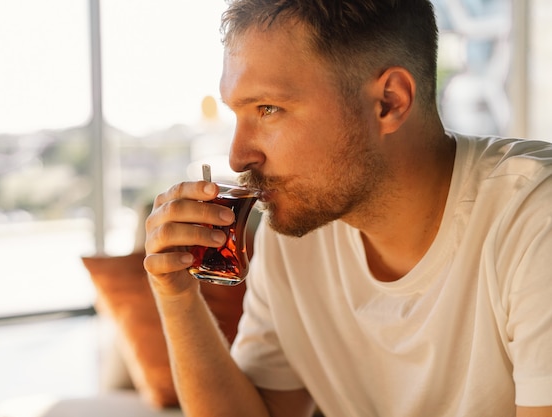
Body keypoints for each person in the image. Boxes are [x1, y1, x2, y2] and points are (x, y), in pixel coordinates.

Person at [143, 1, 552, 416]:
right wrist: (176, 297)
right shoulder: (297, 233)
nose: (237, 157)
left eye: (268, 109)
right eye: (238, 113)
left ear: (388, 102)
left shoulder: (536, 220)